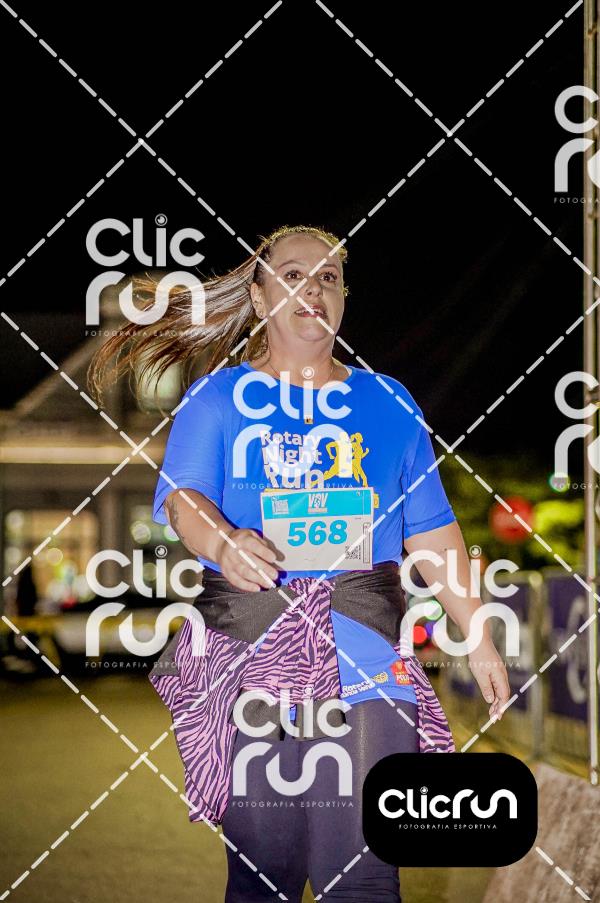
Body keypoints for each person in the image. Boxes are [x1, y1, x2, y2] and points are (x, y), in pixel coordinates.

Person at [88, 224, 510, 902]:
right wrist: (225, 541)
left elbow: (432, 533)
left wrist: (479, 632)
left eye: (329, 278)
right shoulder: (218, 398)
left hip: (370, 658)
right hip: (253, 658)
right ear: (259, 298)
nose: (313, 288)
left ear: (343, 298)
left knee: (367, 873)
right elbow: (184, 500)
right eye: (292, 275)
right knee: (265, 875)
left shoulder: (388, 402)